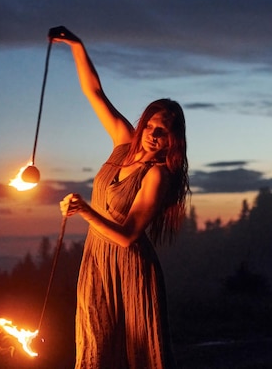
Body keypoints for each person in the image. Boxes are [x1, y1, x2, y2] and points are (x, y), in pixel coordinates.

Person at [52, 26, 189, 369]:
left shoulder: (157, 175)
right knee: (95, 351)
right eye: (152, 126)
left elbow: (128, 236)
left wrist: (84, 210)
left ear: (172, 142)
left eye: (164, 133)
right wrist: (76, 46)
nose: (154, 136)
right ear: (142, 124)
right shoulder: (123, 143)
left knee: (139, 357)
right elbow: (95, 93)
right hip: (97, 262)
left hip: (131, 270)